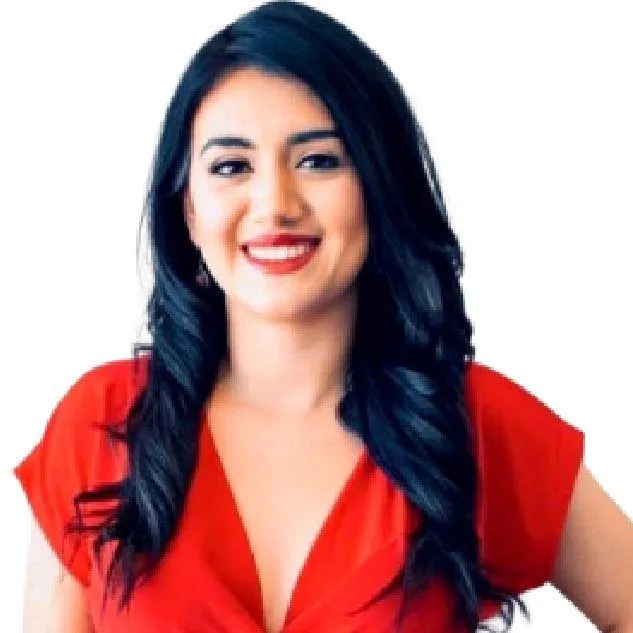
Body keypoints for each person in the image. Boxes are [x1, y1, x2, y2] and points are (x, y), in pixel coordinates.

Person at [14, 2, 633, 632]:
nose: (275, 204)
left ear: (378, 187)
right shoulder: (101, 424)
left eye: (318, 161)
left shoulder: (471, 424)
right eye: (231, 167)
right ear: (189, 211)